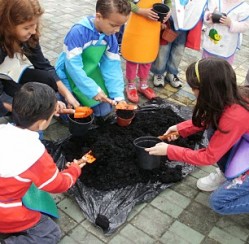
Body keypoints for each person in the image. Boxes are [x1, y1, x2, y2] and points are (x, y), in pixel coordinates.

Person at [146, 57, 249, 215]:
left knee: (218, 203)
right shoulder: (231, 93)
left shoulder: (234, 116)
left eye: (194, 88)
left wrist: (169, 150)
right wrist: (180, 129)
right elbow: (212, 117)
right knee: (213, 129)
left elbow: (208, 157)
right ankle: (225, 172)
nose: (192, 91)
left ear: (208, 89)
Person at [0, 82, 86, 243]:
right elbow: (58, 185)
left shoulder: (2, 130)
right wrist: (73, 170)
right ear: (42, 124)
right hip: (4, 211)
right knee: (49, 233)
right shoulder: (35, 154)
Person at [0, 0, 79, 118]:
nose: (32, 31)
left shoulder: (30, 36)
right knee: (24, 103)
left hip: (9, 71)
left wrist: (68, 94)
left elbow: (44, 66)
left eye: (34, 24)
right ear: (8, 25)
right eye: (27, 27)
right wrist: (32, 112)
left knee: (47, 78)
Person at [55, 0, 131, 119]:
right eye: (114, 25)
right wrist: (93, 91)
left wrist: (118, 96)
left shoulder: (110, 37)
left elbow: (112, 67)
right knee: (73, 116)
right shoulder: (78, 32)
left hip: (90, 72)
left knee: (103, 112)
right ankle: (59, 95)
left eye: (121, 26)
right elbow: (73, 67)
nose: (117, 30)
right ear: (99, 16)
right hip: (68, 73)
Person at [121, 0, 171, 103]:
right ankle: (131, 84)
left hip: (153, 26)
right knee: (133, 55)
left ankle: (143, 84)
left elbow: (168, 1)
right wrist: (140, 10)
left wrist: (168, 12)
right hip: (137, 24)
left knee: (147, 54)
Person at [152, 0, 207, 88]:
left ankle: (172, 72)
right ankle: (159, 73)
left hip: (186, 21)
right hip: (171, 18)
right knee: (163, 48)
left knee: (178, 50)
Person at [202, 0, 249, 64]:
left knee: (223, 69)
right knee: (205, 65)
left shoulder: (244, 8)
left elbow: (245, 26)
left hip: (226, 47)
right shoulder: (214, 1)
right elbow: (204, 12)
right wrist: (208, 16)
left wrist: (230, 23)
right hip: (210, 44)